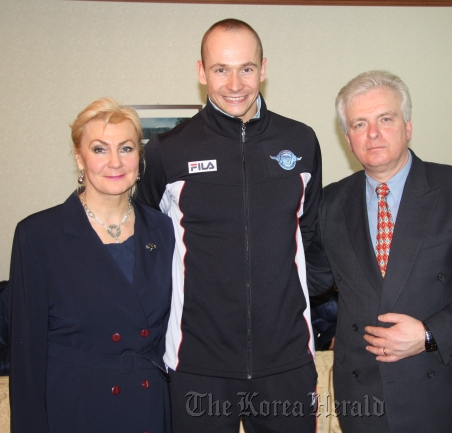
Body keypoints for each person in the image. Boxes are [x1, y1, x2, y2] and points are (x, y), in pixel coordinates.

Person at [306, 71, 452, 433]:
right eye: (359, 124)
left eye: (384, 119)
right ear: (348, 139)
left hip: (445, 388)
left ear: (408, 126)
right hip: (363, 395)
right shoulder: (330, 202)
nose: (372, 133)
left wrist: (428, 334)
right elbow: (307, 277)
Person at [135, 18, 322, 433]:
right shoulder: (167, 152)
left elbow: (308, 238)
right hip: (198, 366)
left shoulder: (302, 142)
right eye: (221, 69)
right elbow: (145, 245)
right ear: (201, 72)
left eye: (246, 69)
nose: (234, 83)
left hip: (286, 364)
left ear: (264, 68)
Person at [8, 98, 175, 433]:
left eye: (126, 148)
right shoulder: (38, 235)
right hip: (77, 408)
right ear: (78, 157)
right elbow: (26, 358)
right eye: (100, 149)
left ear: (139, 158)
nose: (115, 162)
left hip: (150, 407)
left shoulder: (163, 229)